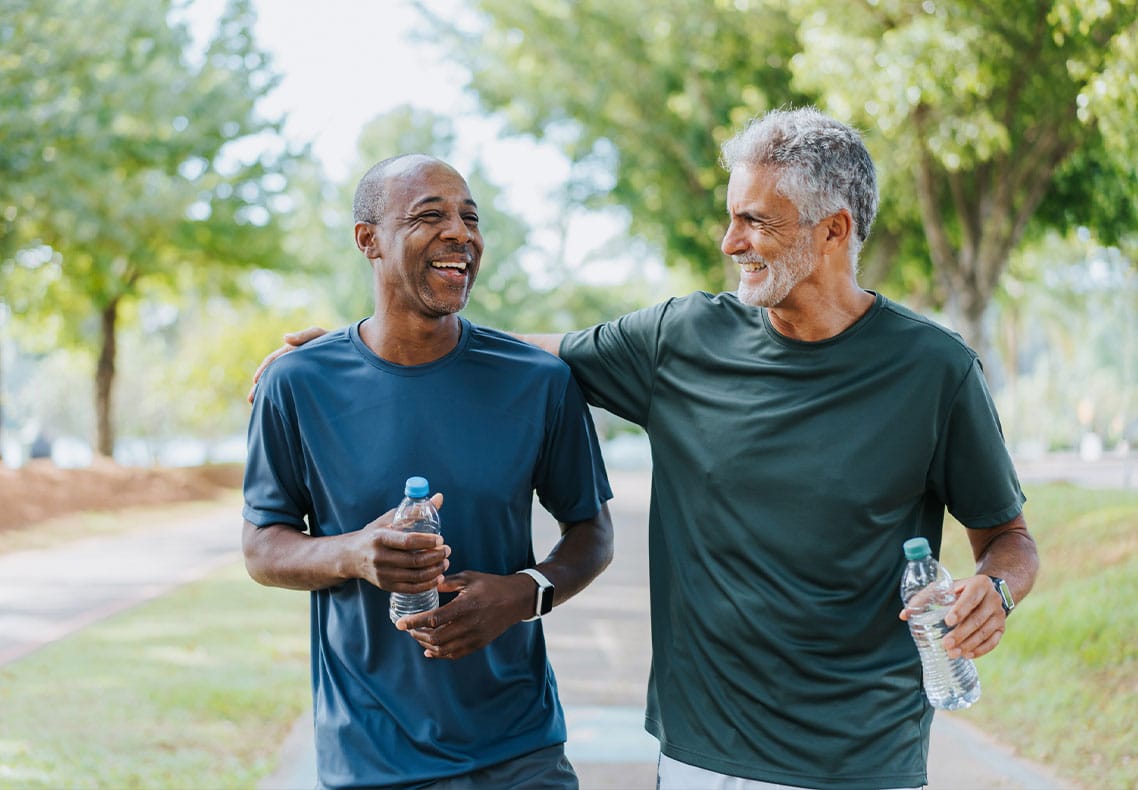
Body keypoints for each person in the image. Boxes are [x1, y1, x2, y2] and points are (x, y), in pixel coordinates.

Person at [253, 109, 1039, 789]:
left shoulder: (935, 370)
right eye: (732, 216)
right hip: (702, 751)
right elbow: (530, 353)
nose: (730, 241)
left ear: (833, 229)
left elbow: (1008, 539)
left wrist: (993, 592)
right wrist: (360, 347)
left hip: (863, 755)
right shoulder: (683, 339)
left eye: (755, 221)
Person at [242, 154, 613, 789]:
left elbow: (592, 533)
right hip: (371, 758)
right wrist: (357, 553)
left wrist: (523, 593)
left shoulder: (538, 382)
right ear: (369, 240)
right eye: (429, 216)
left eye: (470, 218)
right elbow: (262, 547)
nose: (460, 234)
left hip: (520, 753)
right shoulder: (297, 383)